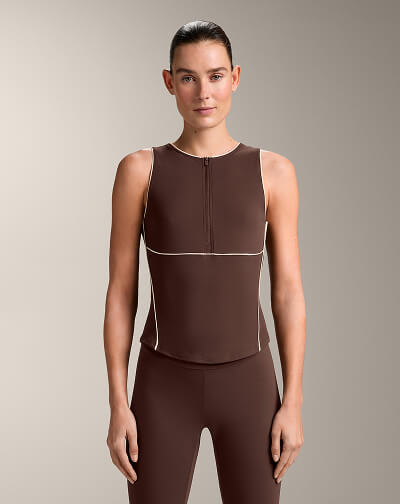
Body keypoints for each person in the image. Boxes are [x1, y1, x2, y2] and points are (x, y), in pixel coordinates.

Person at [103, 20, 306, 504]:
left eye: (215, 76)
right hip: (162, 386)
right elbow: (121, 293)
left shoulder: (274, 172)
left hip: (250, 385)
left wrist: (293, 401)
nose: (203, 92)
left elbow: (288, 292)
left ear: (235, 77)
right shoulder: (139, 170)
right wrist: (117, 403)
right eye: (188, 78)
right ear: (169, 82)